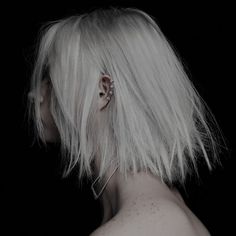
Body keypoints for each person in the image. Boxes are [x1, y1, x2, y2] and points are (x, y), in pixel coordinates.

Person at [27, 7, 224, 236]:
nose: (36, 94)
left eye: (51, 78)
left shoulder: (139, 226)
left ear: (101, 92)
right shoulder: (162, 211)